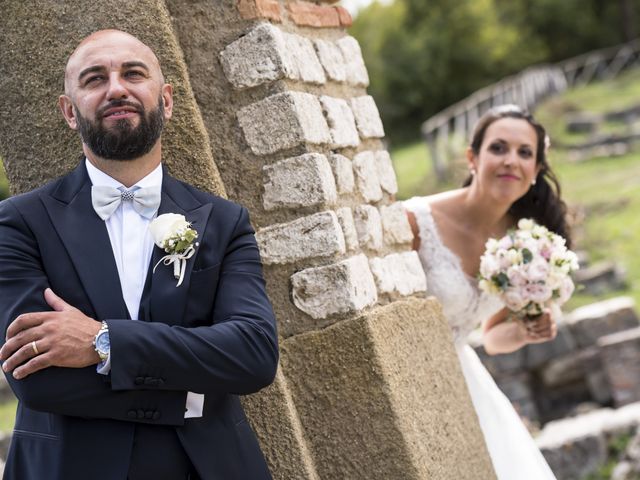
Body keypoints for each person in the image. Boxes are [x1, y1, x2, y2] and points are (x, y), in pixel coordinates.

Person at [0, 30, 278, 480]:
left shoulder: (225, 222)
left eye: (133, 73)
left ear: (165, 100)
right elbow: (36, 377)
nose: (116, 88)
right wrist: (188, 395)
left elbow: (253, 353)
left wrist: (102, 342)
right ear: (70, 111)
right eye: (94, 79)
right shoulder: (17, 223)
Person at [405, 104, 570, 479]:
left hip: (467, 382)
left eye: (524, 152)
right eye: (498, 148)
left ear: (536, 171)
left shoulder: (525, 242)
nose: (511, 160)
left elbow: (493, 338)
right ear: (472, 158)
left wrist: (526, 330)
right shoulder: (415, 221)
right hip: (411, 379)